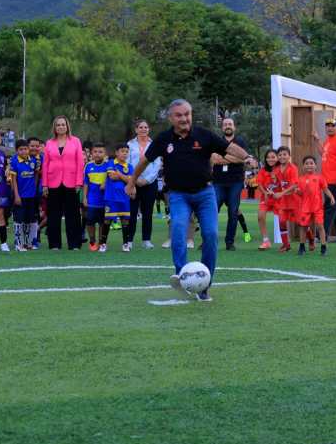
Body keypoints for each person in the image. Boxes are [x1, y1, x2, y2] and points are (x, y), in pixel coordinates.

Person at [126, 99, 255, 302]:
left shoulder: (203, 135)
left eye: (187, 114)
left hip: (205, 194)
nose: (184, 118)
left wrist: (247, 157)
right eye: (179, 115)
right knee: (178, 229)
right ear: (171, 118)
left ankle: (205, 285)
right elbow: (145, 161)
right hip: (178, 195)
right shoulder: (164, 139)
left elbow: (229, 148)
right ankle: (182, 276)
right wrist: (131, 182)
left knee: (211, 234)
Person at [42, 116, 84, 250]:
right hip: (53, 182)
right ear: (54, 128)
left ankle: (75, 244)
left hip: (71, 182)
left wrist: (79, 182)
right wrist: (45, 184)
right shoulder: (49, 143)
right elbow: (45, 164)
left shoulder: (76, 141)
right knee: (53, 215)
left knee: (73, 215)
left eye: (63, 125)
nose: (61, 127)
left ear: (67, 126)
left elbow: (80, 163)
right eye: (58, 125)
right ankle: (54, 244)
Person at [211, 117, 251, 251]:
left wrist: (224, 158)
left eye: (230, 124)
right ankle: (209, 241)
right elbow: (214, 158)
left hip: (235, 182)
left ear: (234, 127)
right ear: (222, 127)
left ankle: (229, 242)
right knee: (212, 211)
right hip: (218, 182)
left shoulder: (240, 142)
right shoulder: (216, 141)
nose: (228, 126)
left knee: (233, 212)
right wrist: (234, 158)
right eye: (225, 124)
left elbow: (243, 158)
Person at [126, 119, 161, 250]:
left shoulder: (154, 144)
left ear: (149, 129)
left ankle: (146, 240)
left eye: (146, 127)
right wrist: (134, 180)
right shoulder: (130, 145)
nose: (143, 129)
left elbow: (157, 165)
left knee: (147, 213)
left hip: (150, 183)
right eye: (140, 127)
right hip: (133, 183)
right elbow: (128, 165)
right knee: (132, 212)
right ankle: (129, 240)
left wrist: (147, 180)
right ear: (136, 130)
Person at [295, 155, 333, 256]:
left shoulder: (319, 177)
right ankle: (302, 246)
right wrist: (297, 191)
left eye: (311, 163)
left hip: (317, 207)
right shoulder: (300, 179)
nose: (309, 165)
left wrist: (331, 197)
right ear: (303, 166)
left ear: (315, 166)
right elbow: (300, 194)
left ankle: (324, 246)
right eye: (306, 164)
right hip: (305, 208)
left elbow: (325, 189)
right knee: (303, 227)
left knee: (320, 226)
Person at [9, 139, 40, 252]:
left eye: (25, 149)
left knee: (30, 219)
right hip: (20, 196)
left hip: (31, 196)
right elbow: (13, 180)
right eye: (21, 149)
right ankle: (18, 243)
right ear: (17, 150)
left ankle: (29, 243)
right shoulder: (14, 162)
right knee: (19, 220)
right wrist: (16, 196)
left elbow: (36, 175)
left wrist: (34, 188)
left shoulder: (33, 161)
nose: (24, 151)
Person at [102, 144, 133, 252]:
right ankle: (103, 244)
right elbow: (112, 176)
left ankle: (125, 244)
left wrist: (119, 174)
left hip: (124, 198)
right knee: (107, 221)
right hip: (111, 197)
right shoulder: (110, 163)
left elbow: (131, 181)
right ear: (116, 153)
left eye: (126, 151)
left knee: (125, 221)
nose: (125, 153)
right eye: (122, 151)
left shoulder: (130, 166)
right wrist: (125, 177)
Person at [83, 143, 109, 252]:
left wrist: (106, 183)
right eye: (95, 152)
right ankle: (92, 241)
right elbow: (86, 184)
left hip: (105, 200)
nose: (97, 154)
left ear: (105, 154)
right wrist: (84, 197)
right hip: (92, 200)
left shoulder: (108, 165)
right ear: (91, 153)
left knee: (103, 222)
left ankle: (101, 242)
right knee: (90, 222)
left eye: (100, 152)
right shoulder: (88, 166)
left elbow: (112, 179)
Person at [274, 146, 299, 252]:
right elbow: (278, 185)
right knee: (282, 221)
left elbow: (294, 186)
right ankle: (286, 245)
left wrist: (281, 193)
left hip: (294, 199)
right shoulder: (276, 170)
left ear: (289, 156)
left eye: (284, 154)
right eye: (280, 155)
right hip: (283, 200)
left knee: (301, 222)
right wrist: (272, 190)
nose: (282, 156)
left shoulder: (293, 168)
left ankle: (311, 239)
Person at [255, 150, 279, 250]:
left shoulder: (281, 169)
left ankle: (307, 233)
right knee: (260, 216)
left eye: (273, 157)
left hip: (279, 197)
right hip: (266, 197)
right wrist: (265, 193)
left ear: (277, 158)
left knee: (287, 218)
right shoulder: (263, 170)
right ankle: (266, 241)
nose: (271, 159)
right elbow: (259, 184)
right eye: (268, 157)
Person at [28, 137, 44, 249]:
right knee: (25, 215)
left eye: (37, 146)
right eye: (32, 146)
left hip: (38, 191)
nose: (34, 148)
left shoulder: (42, 158)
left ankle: (36, 237)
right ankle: (25, 237)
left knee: (36, 215)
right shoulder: (23, 158)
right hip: (25, 191)